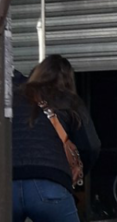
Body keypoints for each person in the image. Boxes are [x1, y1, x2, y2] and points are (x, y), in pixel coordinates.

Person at [12, 55, 101, 222]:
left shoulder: (13, 97)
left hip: (9, 183)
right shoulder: (69, 100)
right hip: (50, 184)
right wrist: (77, 171)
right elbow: (91, 146)